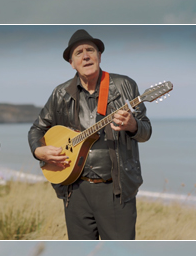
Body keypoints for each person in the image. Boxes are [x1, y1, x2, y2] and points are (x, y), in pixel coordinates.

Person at [28, 28, 153, 240]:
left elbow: (145, 132)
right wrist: (39, 151)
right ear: (71, 62)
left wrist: (132, 125)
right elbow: (37, 129)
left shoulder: (124, 86)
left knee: (119, 255)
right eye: (79, 53)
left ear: (99, 56)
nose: (85, 56)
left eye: (90, 50)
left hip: (115, 190)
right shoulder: (61, 93)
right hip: (74, 189)